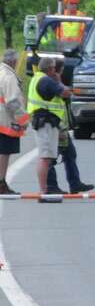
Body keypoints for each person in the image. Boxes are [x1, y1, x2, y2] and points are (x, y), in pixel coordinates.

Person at [45, 58, 93, 195]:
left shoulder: (50, 81)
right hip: (55, 127)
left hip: (61, 127)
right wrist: (60, 81)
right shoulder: (52, 82)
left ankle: (75, 183)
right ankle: (51, 186)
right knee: (52, 158)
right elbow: (65, 92)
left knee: (69, 154)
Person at [27, 57, 72, 202]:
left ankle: (45, 190)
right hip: (45, 122)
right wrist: (59, 81)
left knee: (46, 157)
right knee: (45, 157)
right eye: (53, 68)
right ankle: (43, 191)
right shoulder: (47, 80)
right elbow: (65, 93)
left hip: (45, 122)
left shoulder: (37, 78)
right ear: (50, 69)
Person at [0, 49, 29, 196]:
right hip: (4, 121)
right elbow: (12, 101)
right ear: (13, 61)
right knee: (3, 153)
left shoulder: (1, 72)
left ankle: (2, 183)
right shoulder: (9, 76)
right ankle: (1, 183)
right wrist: (23, 120)